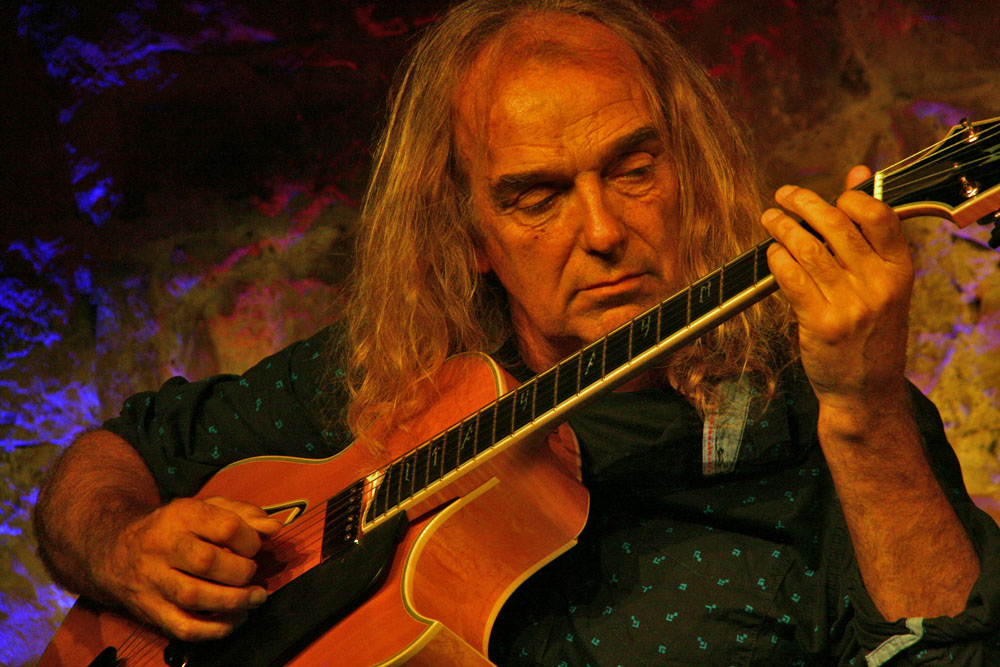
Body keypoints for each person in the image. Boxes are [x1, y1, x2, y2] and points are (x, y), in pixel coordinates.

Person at [34, 0, 1000, 664]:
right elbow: (124, 450)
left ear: (690, 168)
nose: (604, 230)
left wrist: (865, 409)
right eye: (537, 197)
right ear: (469, 236)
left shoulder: (834, 416)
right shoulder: (402, 377)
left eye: (633, 169)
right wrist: (120, 545)